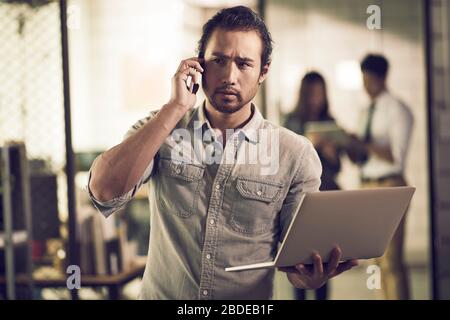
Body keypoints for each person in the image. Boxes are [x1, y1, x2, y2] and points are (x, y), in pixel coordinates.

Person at [88, 6, 358, 300]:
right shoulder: (161, 128)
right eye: (218, 61)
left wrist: (311, 276)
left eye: (244, 64)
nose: (230, 76)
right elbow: (104, 191)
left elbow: (296, 266)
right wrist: (175, 107)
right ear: (198, 63)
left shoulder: (294, 153)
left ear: (263, 72)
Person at [346, 54, 414, 300]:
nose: (365, 84)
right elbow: (363, 156)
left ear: (382, 77)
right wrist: (349, 145)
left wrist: (364, 143)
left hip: (390, 185)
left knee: (392, 260)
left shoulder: (397, 109)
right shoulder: (365, 110)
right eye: (363, 78)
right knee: (375, 259)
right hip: (367, 186)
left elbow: (396, 156)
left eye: (369, 79)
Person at [284, 72, 342, 300]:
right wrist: (309, 146)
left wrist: (330, 153)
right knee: (299, 260)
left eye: (320, 93)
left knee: (325, 261)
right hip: (300, 200)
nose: (316, 98)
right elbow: (284, 162)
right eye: (312, 93)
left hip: (327, 197)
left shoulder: (331, 122)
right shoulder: (291, 122)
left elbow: (337, 167)